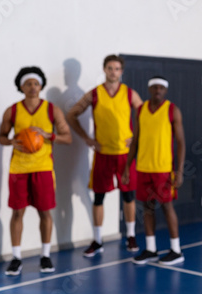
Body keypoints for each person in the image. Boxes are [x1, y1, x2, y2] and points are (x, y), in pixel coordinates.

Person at [67, 55, 143, 257]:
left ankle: (131, 236)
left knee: (128, 195)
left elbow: (146, 115)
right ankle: (98, 240)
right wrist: (86, 138)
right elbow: (71, 114)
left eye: (117, 68)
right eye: (110, 68)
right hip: (103, 154)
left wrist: (137, 137)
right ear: (104, 69)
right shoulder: (94, 94)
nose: (113, 71)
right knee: (98, 197)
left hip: (125, 155)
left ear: (121, 71)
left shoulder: (129, 93)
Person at [0, 66, 72, 275]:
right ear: (21, 86)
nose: (32, 87)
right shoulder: (12, 110)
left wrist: (49, 136)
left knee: (45, 212)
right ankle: (16, 257)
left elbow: (67, 137)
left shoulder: (52, 109)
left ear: (41, 86)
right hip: (19, 169)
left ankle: (45, 255)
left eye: (36, 83)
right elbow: (1, 137)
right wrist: (11, 141)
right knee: (17, 213)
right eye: (28, 83)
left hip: (43, 168)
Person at [122, 76, 186, 266]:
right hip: (143, 167)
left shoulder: (172, 110)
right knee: (147, 208)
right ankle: (151, 249)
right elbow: (135, 140)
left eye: (161, 87)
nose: (157, 90)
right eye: (154, 87)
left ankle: (176, 250)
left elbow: (181, 142)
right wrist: (127, 167)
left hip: (163, 169)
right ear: (149, 89)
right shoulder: (141, 110)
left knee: (166, 207)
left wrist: (179, 171)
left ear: (165, 91)